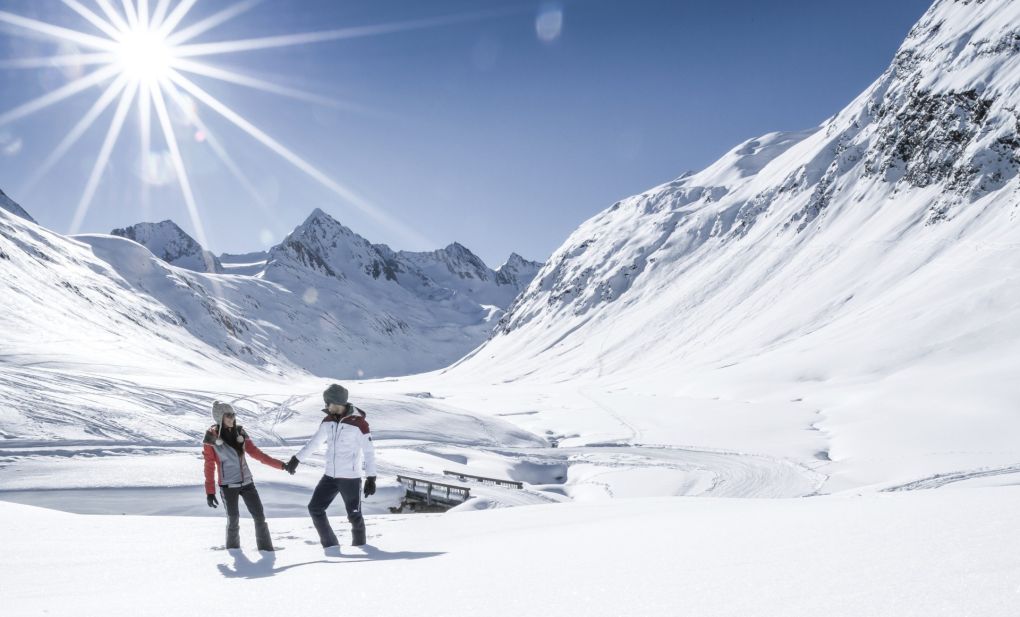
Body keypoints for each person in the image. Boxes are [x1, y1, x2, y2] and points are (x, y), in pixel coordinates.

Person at [285, 384, 377, 548]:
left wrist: (371, 477)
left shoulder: (360, 424)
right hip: (330, 476)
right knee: (315, 508)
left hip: (350, 478)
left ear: (337, 402)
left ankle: (360, 547)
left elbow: (369, 452)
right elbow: (314, 443)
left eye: (328, 403)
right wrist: (297, 459)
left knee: (354, 516)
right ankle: (330, 545)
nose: (326, 406)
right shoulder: (327, 421)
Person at [203, 401, 291, 551]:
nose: (232, 418)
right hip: (228, 486)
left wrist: (281, 465)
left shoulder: (241, 433)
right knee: (233, 519)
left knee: (259, 517)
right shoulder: (210, 439)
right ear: (220, 418)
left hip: (247, 483)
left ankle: (266, 550)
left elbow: (257, 454)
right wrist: (210, 492)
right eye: (228, 415)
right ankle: (234, 552)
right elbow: (209, 466)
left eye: (233, 415)